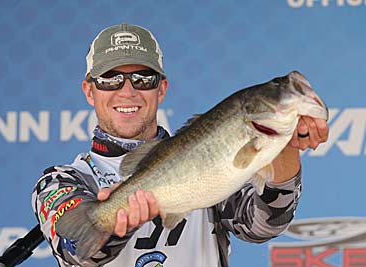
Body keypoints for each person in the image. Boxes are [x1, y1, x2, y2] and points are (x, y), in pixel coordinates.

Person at [31, 23, 329, 267]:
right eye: (110, 79)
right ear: (89, 90)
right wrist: (120, 220)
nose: (127, 91)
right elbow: (76, 253)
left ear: (161, 89)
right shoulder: (59, 182)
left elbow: (262, 226)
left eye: (142, 78)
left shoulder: (205, 157)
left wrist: (286, 147)